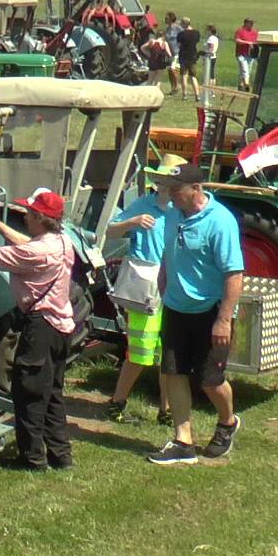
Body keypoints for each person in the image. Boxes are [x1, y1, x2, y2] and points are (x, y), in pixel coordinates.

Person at [0, 190, 77, 471]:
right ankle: (60, 455)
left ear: (39, 218)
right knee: (52, 393)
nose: (25, 218)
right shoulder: (62, 242)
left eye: (29, 214)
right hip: (62, 327)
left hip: (41, 327)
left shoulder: (38, 251)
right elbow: (26, 244)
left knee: (29, 391)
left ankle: (31, 459)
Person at [147, 163, 245, 466]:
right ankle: (183, 441)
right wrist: (164, 277)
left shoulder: (220, 222)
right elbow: (169, 250)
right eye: (168, 189)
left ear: (196, 189)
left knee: (209, 380)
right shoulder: (174, 214)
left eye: (175, 190)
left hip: (210, 310)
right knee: (173, 372)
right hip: (176, 307)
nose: (170, 196)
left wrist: (223, 319)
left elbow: (234, 274)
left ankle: (228, 421)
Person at [104, 163, 179, 423]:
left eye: (169, 181)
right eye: (161, 181)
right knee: (139, 351)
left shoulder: (182, 209)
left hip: (174, 286)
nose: (165, 186)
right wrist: (132, 222)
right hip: (145, 285)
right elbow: (110, 230)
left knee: (169, 353)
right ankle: (117, 403)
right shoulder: (143, 205)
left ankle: (166, 411)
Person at [140, 25, 172, 92]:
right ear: (164, 36)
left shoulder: (152, 41)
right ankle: (156, 94)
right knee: (158, 80)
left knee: (150, 80)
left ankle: (147, 93)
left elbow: (142, 48)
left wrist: (149, 54)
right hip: (161, 63)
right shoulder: (164, 43)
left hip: (152, 62)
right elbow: (169, 54)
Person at [176, 17, 200, 94]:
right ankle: (197, 94)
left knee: (184, 75)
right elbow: (196, 43)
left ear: (183, 24)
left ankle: (184, 94)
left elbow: (179, 45)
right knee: (193, 76)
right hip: (193, 56)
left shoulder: (181, 34)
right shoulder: (196, 33)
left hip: (183, 56)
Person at [235, 18, 259, 89]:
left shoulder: (254, 32)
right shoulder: (240, 31)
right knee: (245, 69)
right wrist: (247, 43)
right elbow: (237, 40)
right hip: (241, 54)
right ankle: (247, 85)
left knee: (247, 70)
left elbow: (256, 41)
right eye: (250, 23)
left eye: (252, 23)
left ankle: (241, 84)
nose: (252, 25)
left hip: (250, 54)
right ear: (246, 23)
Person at [164, 12, 183, 92]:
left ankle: (177, 85)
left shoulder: (177, 28)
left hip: (177, 52)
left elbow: (183, 36)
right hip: (169, 52)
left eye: (167, 18)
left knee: (174, 69)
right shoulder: (167, 29)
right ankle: (173, 87)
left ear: (171, 19)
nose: (165, 19)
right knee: (169, 70)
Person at [201, 23, 220, 94]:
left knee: (208, 74)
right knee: (212, 74)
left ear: (210, 31)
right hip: (213, 57)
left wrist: (206, 54)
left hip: (209, 57)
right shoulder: (215, 38)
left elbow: (211, 47)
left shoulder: (210, 38)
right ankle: (212, 90)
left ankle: (209, 89)